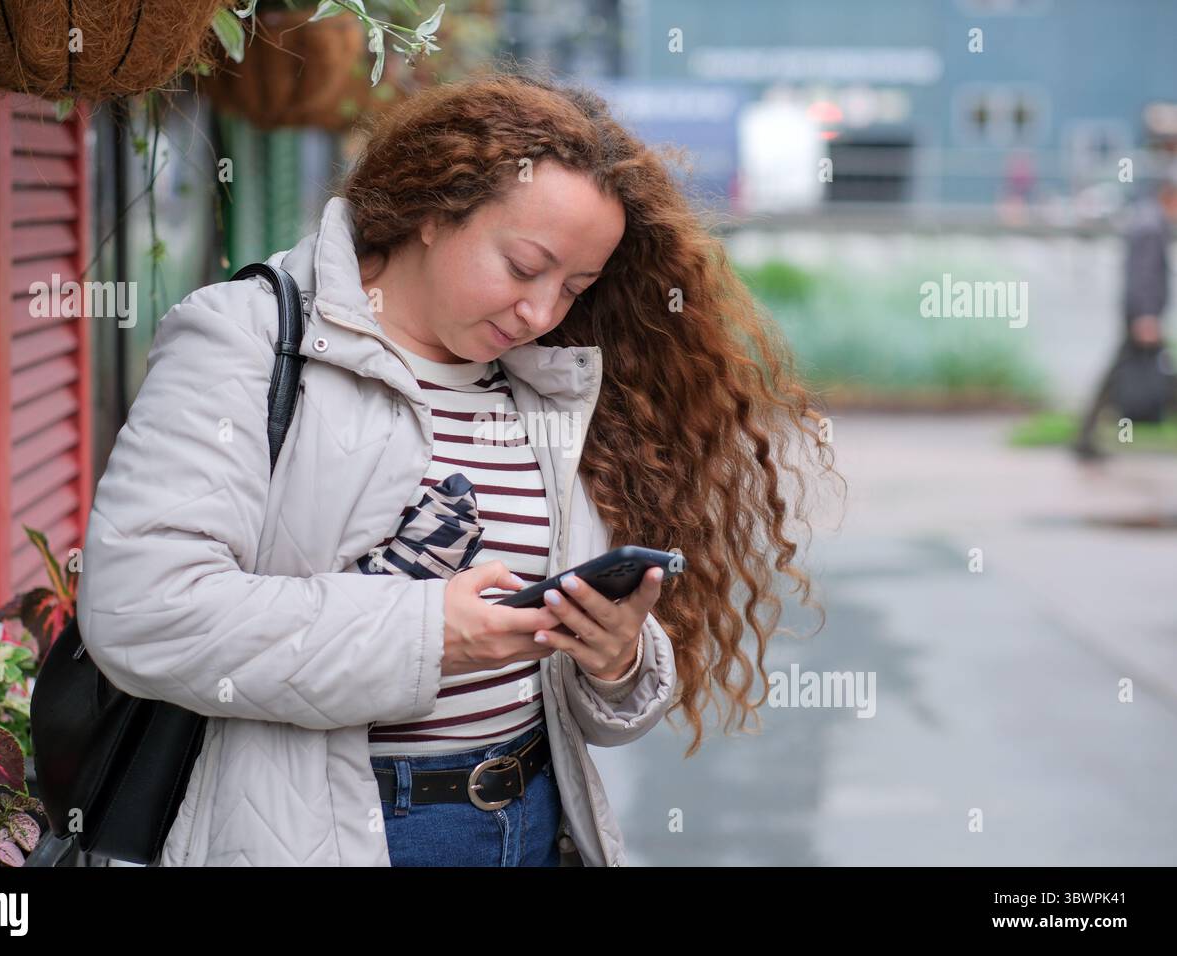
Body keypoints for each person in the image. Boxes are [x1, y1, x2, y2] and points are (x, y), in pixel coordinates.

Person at [76, 69, 835, 867]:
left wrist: (616, 658)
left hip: (534, 819)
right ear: (434, 212)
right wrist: (433, 632)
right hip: (344, 831)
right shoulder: (251, 338)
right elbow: (143, 610)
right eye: (522, 266)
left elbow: (586, 704)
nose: (542, 313)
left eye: (575, 286)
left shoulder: (547, 382)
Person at [1073, 171, 1177, 460]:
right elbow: (1143, 274)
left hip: (1138, 315)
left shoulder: (1146, 220)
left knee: (1123, 374)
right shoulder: (1151, 226)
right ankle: (1085, 436)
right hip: (1142, 317)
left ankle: (1085, 436)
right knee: (1160, 372)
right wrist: (1146, 315)